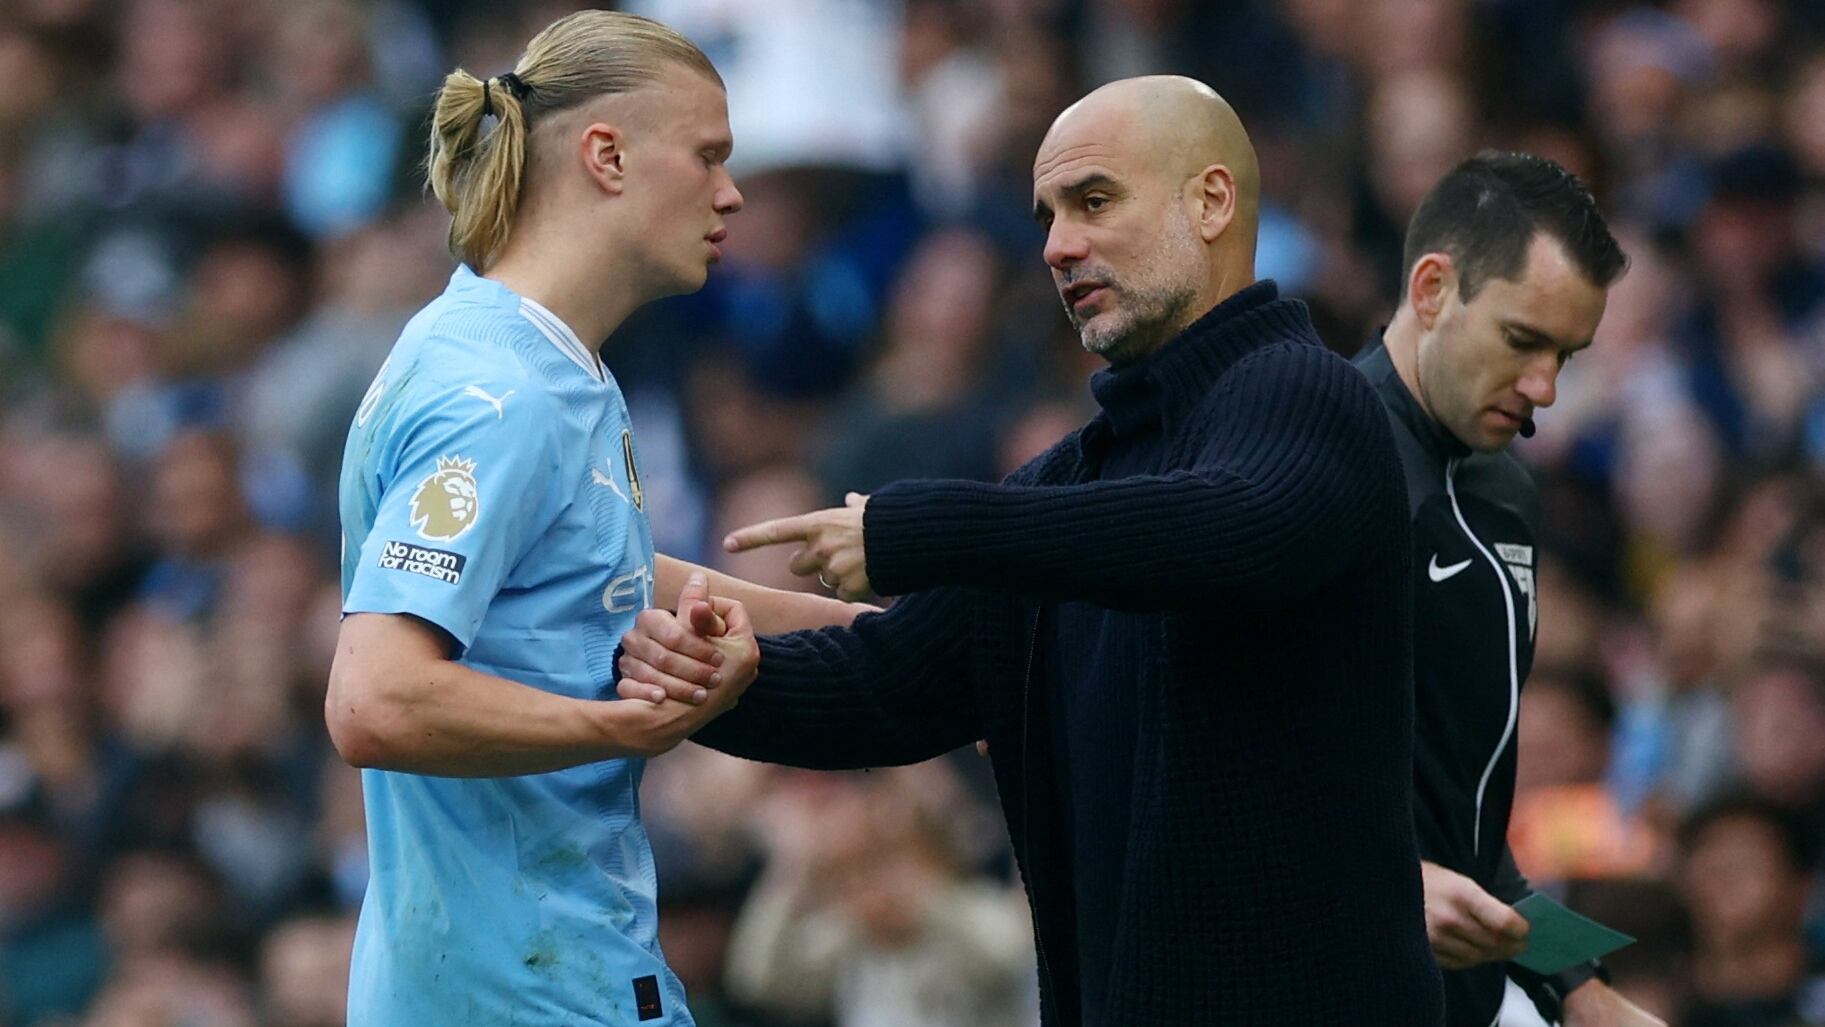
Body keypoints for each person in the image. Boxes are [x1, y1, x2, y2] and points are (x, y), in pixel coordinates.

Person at [618, 75, 1445, 1025]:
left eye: (1094, 201)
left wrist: (916, 531)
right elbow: (887, 684)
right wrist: (709, 676)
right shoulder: (1063, 489)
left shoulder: (1305, 393)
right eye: (1048, 214)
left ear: (1211, 201)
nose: (1056, 245)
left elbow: (1229, 530)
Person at [324, 12, 847, 1025]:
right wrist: (630, 724)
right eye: (707, 156)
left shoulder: (512, 352)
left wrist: (883, 636)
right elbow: (375, 700)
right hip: (529, 990)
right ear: (605, 155)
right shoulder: (504, 397)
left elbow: (593, 576)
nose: (730, 192)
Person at [1353, 151, 1664, 1026]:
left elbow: (1468, 836)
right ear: (1429, 288)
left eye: (1566, 354)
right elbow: (1214, 763)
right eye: (1522, 340)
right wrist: (1381, 883)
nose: (1546, 390)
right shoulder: (1315, 460)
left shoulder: (1508, 494)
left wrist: (1579, 985)